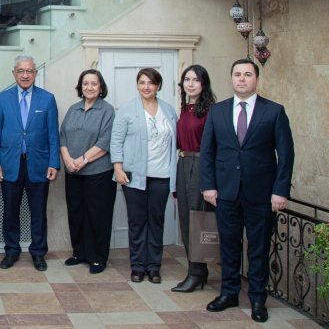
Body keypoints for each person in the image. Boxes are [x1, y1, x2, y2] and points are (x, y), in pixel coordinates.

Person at [201, 59, 294, 323]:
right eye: (237, 74)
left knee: (258, 249)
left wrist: (280, 191)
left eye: (247, 74)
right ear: (231, 78)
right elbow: (207, 152)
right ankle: (229, 293)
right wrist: (209, 186)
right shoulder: (217, 111)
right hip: (226, 193)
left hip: (261, 195)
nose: (242, 79)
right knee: (229, 247)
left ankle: (257, 299)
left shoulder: (274, 111)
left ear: (256, 79)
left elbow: (286, 154)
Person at [0, 55, 60, 271]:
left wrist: (54, 163)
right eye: (20, 71)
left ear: (35, 73)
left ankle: (38, 253)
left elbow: (53, 135)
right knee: (10, 212)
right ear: (14, 73)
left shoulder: (47, 99)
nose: (25, 75)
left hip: (39, 165)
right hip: (9, 164)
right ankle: (11, 251)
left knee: (38, 213)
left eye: (29, 71)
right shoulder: (2, 99)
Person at [111, 67, 178, 284]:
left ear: (158, 86)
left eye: (151, 83)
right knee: (137, 222)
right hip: (134, 176)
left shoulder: (168, 110)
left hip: (162, 175)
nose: (146, 87)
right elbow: (116, 141)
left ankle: (154, 267)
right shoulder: (127, 110)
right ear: (137, 85)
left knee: (156, 221)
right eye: (142, 82)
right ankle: (138, 266)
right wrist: (118, 168)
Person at [59, 69, 117, 275]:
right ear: (80, 87)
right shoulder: (73, 109)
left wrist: (82, 160)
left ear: (101, 88)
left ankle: (97, 258)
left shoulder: (107, 110)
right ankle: (79, 253)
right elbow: (62, 136)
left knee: (97, 215)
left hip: (98, 173)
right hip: (73, 172)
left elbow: (105, 141)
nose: (89, 87)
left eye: (94, 84)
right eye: (85, 84)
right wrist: (68, 160)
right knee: (76, 213)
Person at [171, 64, 217, 293]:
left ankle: (195, 273)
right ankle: (199, 270)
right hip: (184, 163)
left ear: (203, 84)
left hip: (200, 166)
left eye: (195, 80)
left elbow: (214, 146)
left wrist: (210, 181)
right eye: (187, 79)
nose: (190, 84)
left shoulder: (210, 111)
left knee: (197, 220)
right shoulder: (185, 108)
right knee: (186, 219)